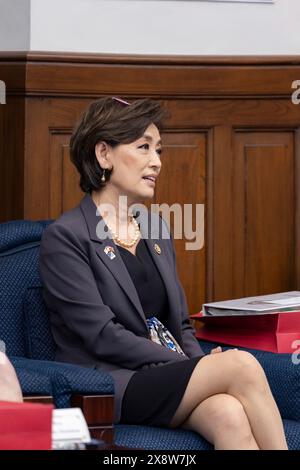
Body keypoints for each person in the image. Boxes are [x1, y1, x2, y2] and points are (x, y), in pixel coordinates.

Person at [39, 96, 288, 450]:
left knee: (229, 414)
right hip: (114, 382)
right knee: (242, 365)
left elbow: (181, 326)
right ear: (103, 154)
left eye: (159, 150)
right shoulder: (65, 237)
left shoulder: (154, 228)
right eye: (144, 147)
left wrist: (196, 364)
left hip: (165, 372)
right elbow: (102, 336)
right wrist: (190, 365)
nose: (156, 162)